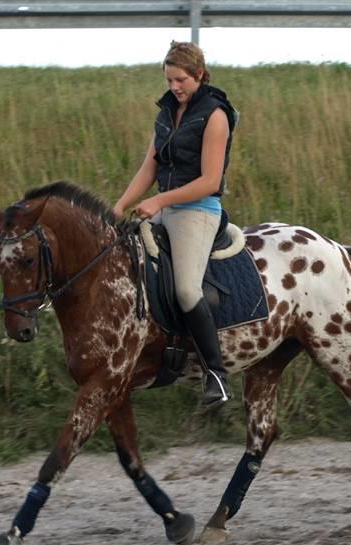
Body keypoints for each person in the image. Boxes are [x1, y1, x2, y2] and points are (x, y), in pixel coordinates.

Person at [113, 41, 238, 410]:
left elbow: (210, 181)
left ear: (199, 75)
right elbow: (149, 168)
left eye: (180, 80)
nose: (174, 87)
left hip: (197, 210)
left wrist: (158, 201)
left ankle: (216, 374)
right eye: (169, 80)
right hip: (162, 207)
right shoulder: (167, 112)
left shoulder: (215, 115)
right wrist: (119, 206)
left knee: (185, 290)